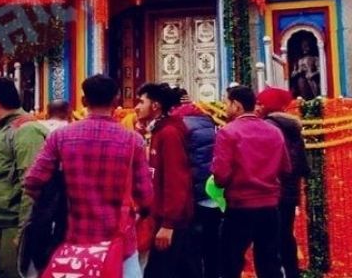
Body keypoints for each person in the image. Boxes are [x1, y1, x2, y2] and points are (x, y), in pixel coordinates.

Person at [24, 74, 153, 278]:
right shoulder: (133, 141)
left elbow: (32, 181)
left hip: (75, 242)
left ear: (84, 101)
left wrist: (53, 202)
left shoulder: (60, 137)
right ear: (116, 101)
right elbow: (146, 196)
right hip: (119, 244)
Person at [212, 85, 291, 278]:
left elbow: (221, 176)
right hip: (269, 207)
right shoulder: (274, 132)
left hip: (240, 206)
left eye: (227, 103)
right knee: (269, 263)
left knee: (230, 263)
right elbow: (286, 168)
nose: (225, 107)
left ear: (236, 105)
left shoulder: (228, 132)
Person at [0, 78, 48, 278]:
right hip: (0, 223)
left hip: (13, 226)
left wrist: (24, 231)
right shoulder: (6, 129)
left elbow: (32, 183)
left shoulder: (26, 131)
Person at [135, 83, 199, 278]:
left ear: (155, 105)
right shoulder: (159, 131)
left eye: (141, 102)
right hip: (164, 216)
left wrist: (168, 224)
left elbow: (176, 179)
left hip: (170, 221)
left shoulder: (169, 133)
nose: (136, 107)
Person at [256, 87, 310, 278]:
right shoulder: (292, 127)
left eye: (260, 103)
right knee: (286, 235)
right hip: (289, 190)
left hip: (274, 190)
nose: (257, 107)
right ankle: (292, 273)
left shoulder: (271, 126)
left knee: (270, 239)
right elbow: (302, 164)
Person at [171, 87, 221, 278]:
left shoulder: (177, 125)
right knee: (212, 245)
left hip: (190, 194)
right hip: (211, 190)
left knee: (191, 248)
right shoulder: (208, 120)